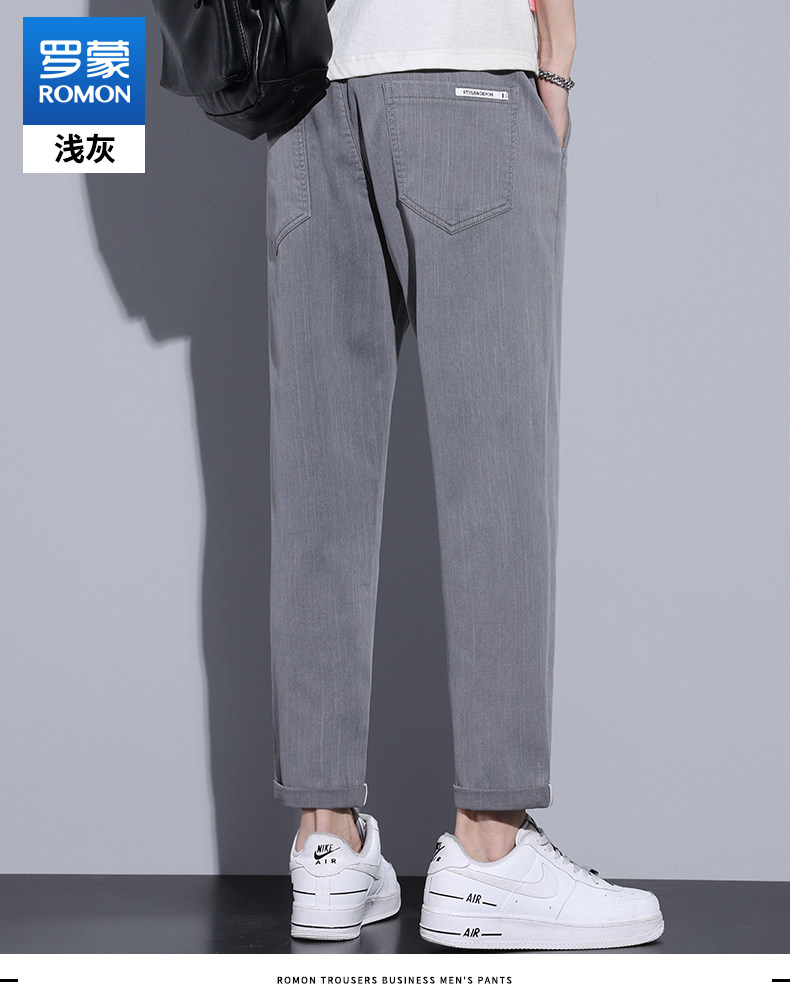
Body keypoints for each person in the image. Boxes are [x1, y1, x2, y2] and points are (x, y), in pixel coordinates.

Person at [266, 0, 664, 949]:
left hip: (308, 102)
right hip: (464, 74)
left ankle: (326, 843)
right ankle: (491, 854)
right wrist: (555, 62)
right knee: (497, 477)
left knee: (317, 487)